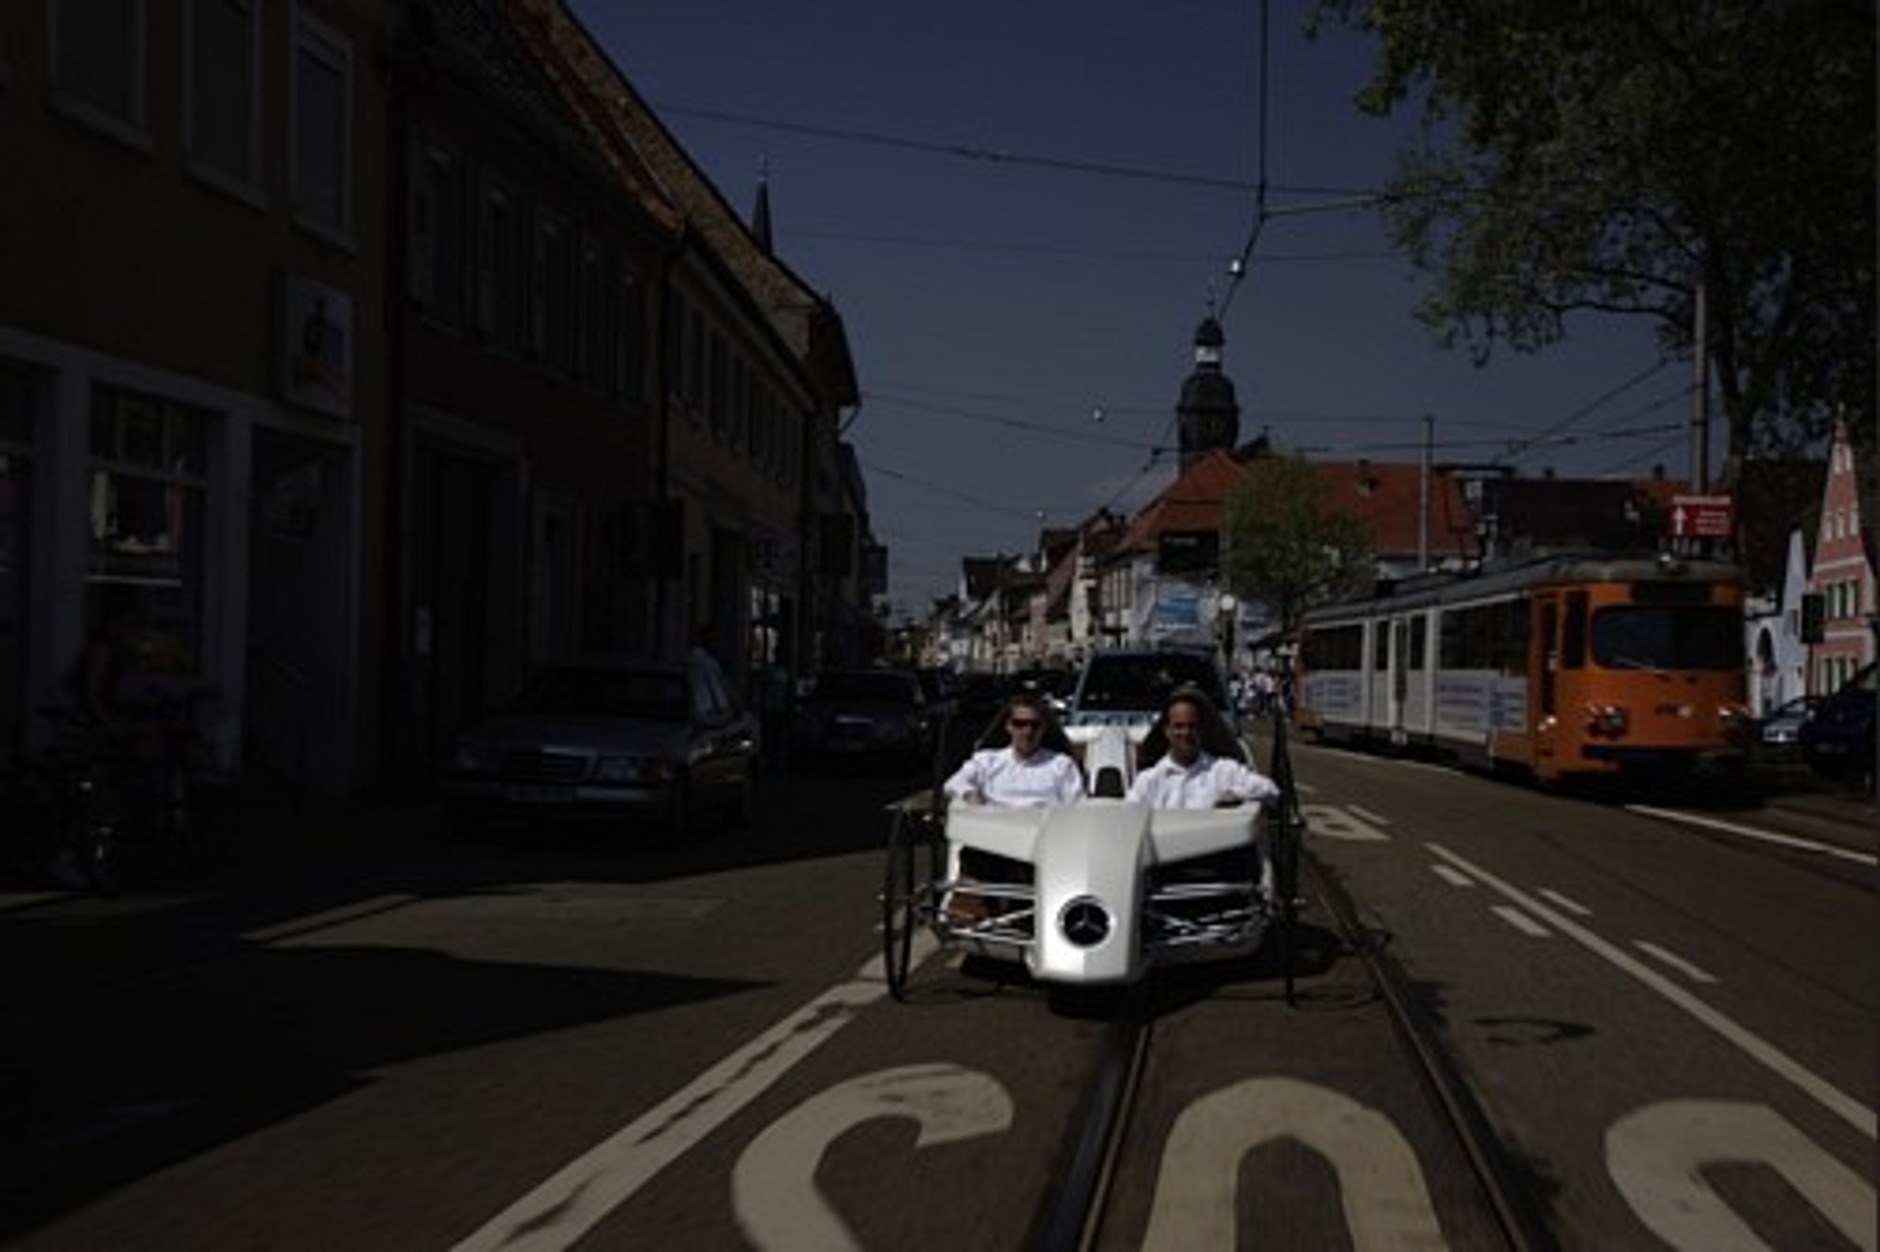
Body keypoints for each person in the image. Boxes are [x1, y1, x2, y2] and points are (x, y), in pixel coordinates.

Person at [1128, 688, 1279, 811]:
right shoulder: (1149, 781)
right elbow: (1127, 817)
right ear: (1167, 731)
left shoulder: (1224, 771)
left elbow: (1271, 791)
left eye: (1191, 726)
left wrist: (1234, 796)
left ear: (1202, 729)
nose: (1186, 733)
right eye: (1178, 726)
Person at [942, 692, 1084, 808]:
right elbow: (953, 783)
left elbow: (1078, 805)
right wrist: (970, 796)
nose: (1028, 731)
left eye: (1035, 725)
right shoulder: (986, 761)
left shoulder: (1062, 765)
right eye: (1020, 724)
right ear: (1009, 726)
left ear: (1043, 728)